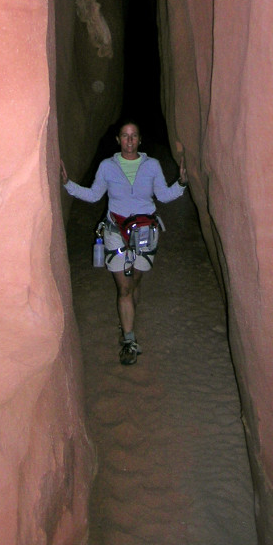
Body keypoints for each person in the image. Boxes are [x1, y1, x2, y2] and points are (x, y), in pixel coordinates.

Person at [61, 121, 188, 365]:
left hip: (144, 233)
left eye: (133, 136)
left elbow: (163, 195)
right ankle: (129, 340)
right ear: (118, 140)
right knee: (125, 288)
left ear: (139, 140)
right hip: (115, 232)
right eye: (125, 136)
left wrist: (181, 184)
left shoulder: (151, 166)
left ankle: (128, 316)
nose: (129, 140)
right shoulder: (107, 166)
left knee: (135, 282)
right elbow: (95, 194)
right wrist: (68, 184)